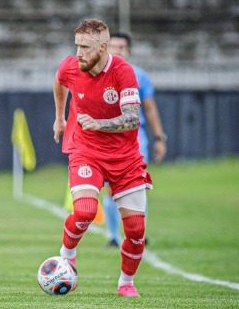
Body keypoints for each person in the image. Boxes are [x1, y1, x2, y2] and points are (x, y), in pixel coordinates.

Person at [53, 19, 152, 297]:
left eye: (85, 47)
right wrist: (60, 118)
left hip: (125, 158)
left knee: (135, 230)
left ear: (103, 47)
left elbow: (132, 119)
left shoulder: (123, 71)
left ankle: (125, 283)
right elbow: (59, 81)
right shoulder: (71, 65)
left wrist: (98, 123)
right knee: (84, 211)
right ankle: (67, 254)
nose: (79, 53)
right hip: (86, 151)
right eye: (77, 46)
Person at [102, 32, 167, 248]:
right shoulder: (98, 75)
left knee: (137, 187)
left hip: (135, 140)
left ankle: (139, 234)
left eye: (121, 47)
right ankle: (112, 236)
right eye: (113, 46)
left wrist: (159, 138)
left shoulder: (139, 76)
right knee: (112, 189)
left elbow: (150, 109)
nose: (117, 51)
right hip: (107, 139)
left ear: (128, 50)